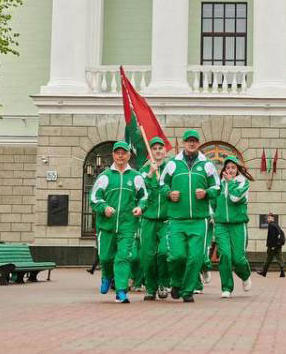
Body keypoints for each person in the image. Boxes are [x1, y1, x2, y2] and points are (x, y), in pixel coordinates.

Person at [160, 129, 220, 303]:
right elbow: (161, 184)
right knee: (176, 256)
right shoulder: (173, 164)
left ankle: (187, 291)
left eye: (194, 141)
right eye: (188, 141)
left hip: (199, 221)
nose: (191, 143)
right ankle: (176, 283)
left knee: (195, 258)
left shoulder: (207, 164)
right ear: (184, 143)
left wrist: (207, 192)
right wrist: (169, 193)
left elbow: (217, 186)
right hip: (177, 220)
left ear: (198, 143)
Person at [89, 140, 141, 303]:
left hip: (127, 225)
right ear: (113, 155)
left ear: (129, 156)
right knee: (105, 258)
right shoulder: (105, 176)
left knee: (123, 258)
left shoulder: (136, 177)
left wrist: (140, 207)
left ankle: (121, 291)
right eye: (117, 153)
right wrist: (104, 207)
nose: (120, 156)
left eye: (123, 153)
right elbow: (94, 198)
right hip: (107, 226)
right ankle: (106, 275)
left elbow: (144, 197)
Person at [134, 136, 171, 301]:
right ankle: (150, 288)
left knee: (164, 252)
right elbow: (140, 193)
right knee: (147, 256)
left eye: (160, 148)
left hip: (166, 220)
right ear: (151, 152)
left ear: (165, 150)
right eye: (154, 148)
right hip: (148, 220)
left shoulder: (170, 169)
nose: (157, 151)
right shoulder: (143, 171)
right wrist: (150, 174)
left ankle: (164, 283)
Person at [212, 154, 253, 298]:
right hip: (221, 225)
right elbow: (212, 202)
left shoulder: (243, 182)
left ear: (237, 169)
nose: (230, 170)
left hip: (238, 225)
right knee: (225, 256)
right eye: (228, 167)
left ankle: (245, 275)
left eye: (233, 168)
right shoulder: (219, 184)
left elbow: (235, 198)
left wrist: (230, 183)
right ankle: (227, 288)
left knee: (238, 259)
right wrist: (213, 216)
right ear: (224, 169)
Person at [257, 213, 286, 278]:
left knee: (268, 259)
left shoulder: (271, 225)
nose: (267, 219)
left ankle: (264, 272)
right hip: (278, 245)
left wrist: (272, 246)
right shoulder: (276, 225)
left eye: (268, 218)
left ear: (272, 218)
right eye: (267, 218)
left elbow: (272, 236)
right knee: (279, 258)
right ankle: (282, 272)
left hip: (272, 246)